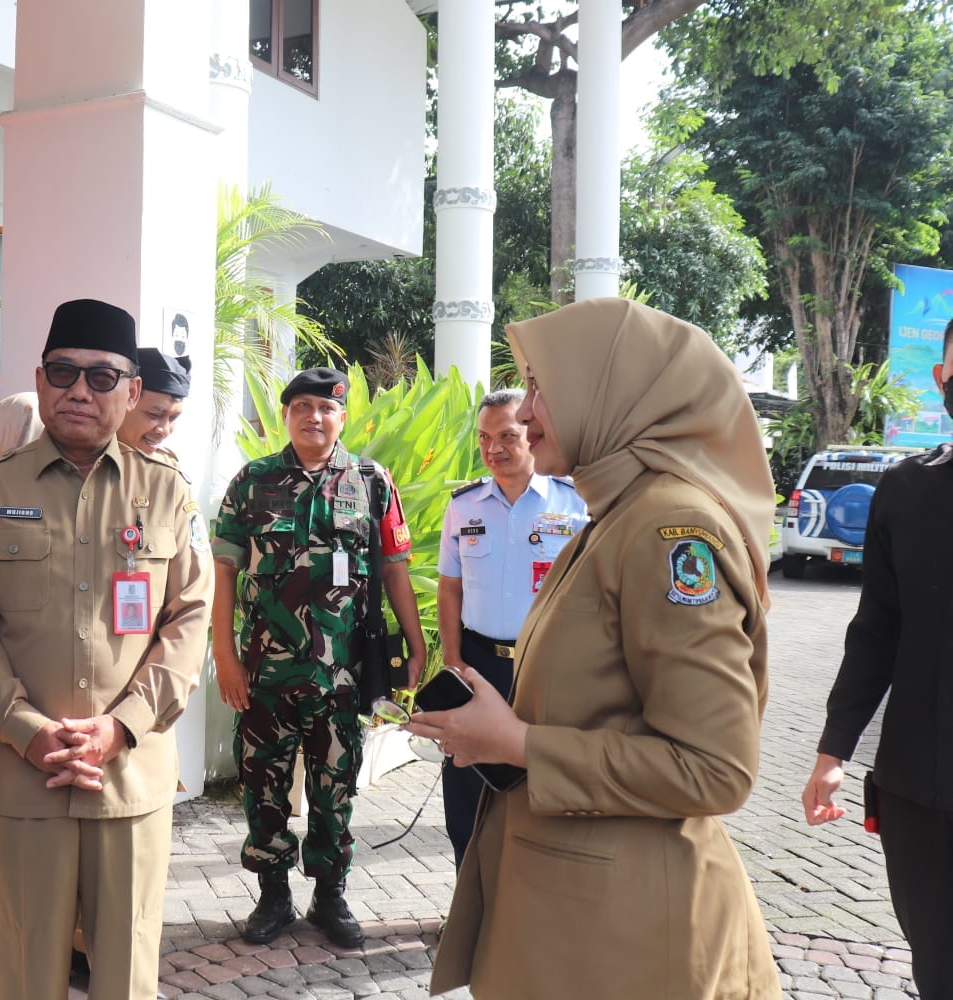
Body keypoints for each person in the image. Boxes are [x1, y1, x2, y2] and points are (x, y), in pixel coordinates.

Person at [409, 298, 779, 998]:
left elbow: (714, 769)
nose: (523, 414)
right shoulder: (614, 518)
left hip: (629, 945)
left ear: (611, 395)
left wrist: (519, 745)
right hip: (580, 923)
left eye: (543, 389)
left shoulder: (667, 530)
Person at [0, 297, 213, 999]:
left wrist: (120, 728)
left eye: (101, 377)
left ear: (130, 392)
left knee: (126, 973)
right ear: (39, 378)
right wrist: (28, 732)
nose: (79, 391)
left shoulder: (169, 494)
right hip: (20, 779)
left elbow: (188, 620)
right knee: (29, 972)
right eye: (63, 373)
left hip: (129, 778)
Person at [211, 367, 427, 949]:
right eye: (301, 406)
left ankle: (329, 894)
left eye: (325, 408)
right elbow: (224, 573)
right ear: (286, 415)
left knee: (336, 786)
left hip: (341, 673)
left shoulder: (371, 481)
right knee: (264, 784)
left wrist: (416, 642)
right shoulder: (253, 481)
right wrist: (225, 658)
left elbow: (394, 568)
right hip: (265, 673)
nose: (313, 417)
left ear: (343, 416)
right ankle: (274, 896)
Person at [800, 316, 953, 996]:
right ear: (942, 379)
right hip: (921, 788)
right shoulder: (908, 490)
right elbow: (876, 633)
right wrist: (834, 754)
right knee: (938, 965)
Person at [436, 388, 586, 865]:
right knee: (466, 793)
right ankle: (468, 911)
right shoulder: (465, 505)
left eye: (506, 435)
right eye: (484, 438)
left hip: (548, 668)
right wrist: (454, 661)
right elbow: (449, 588)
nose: (493, 448)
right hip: (479, 665)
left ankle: (528, 919)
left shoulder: (574, 504)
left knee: (539, 787)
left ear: (532, 434)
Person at [117, 347, 190, 460]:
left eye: (173, 418)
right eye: (154, 415)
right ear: (129, 396)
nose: (165, 431)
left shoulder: (165, 472)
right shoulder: (84, 458)